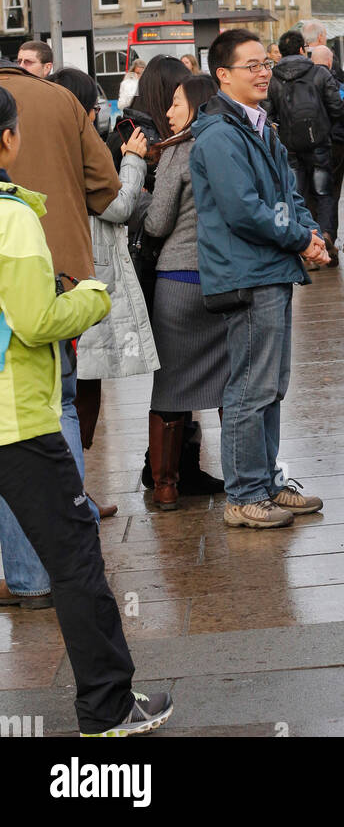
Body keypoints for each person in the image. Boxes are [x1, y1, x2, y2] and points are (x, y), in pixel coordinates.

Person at [0, 86, 173, 734]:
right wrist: (93, 298)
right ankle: (106, 706)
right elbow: (39, 319)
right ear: (9, 139)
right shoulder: (10, 216)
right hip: (17, 418)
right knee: (76, 557)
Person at [188, 29, 329, 529]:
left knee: (272, 384)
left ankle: (267, 482)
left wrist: (310, 230)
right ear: (222, 75)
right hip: (247, 273)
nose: (263, 71)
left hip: (270, 268)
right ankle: (244, 495)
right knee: (250, 388)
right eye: (251, 65)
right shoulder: (222, 133)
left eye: (264, 62)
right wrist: (298, 240)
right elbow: (243, 210)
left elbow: (287, 192)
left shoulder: (258, 124)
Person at [0, 56, 121, 605]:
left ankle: (28, 575)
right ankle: (58, 555)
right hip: (58, 272)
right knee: (57, 410)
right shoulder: (59, 98)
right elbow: (107, 185)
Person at [47, 69, 159, 476]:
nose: (98, 114)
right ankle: (77, 489)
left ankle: (75, 489)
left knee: (69, 385)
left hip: (53, 269)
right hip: (84, 270)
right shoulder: (77, 144)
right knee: (80, 389)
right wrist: (132, 161)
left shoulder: (40, 142)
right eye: (94, 107)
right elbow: (116, 206)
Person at [143, 73, 229, 510]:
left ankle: (165, 484)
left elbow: (157, 222)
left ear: (195, 105)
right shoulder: (234, 143)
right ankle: (243, 475)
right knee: (229, 385)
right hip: (225, 280)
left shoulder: (178, 151)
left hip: (178, 280)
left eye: (176, 103)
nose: (170, 112)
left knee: (171, 384)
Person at [268, 30, 344, 264]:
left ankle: (307, 244)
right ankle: (327, 235)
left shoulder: (273, 78)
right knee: (324, 192)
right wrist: (324, 127)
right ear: (303, 49)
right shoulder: (319, 73)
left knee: (297, 194)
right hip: (319, 142)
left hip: (289, 145)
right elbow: (337, 107)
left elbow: (269, 114)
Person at [309, 44, 344, 255]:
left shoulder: (297, 85)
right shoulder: (336, 85)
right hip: (333, 145)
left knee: (308, 194)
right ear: (330, 61)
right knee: (330, 193)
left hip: (303, 147)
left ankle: (311, 242)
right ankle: (329, 237)